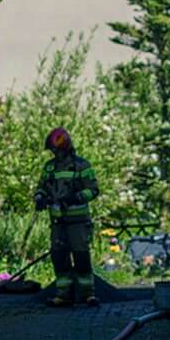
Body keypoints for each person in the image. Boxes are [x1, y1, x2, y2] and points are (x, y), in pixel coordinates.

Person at [32, 127, 100, 307]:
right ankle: (63, 295)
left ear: (66, 147)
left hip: (77, 222)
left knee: (81, 257)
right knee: (59, 257)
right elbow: (41, 187)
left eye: (58, 150)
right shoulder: (49, 168)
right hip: (58, 222)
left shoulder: (82, 166)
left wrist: (76, 197)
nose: (55, 153)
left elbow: (93, 190)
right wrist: (39, 198)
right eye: (53, 150)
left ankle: (88, 294)